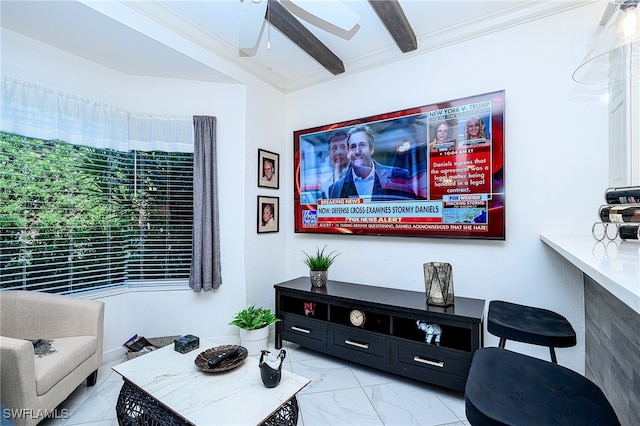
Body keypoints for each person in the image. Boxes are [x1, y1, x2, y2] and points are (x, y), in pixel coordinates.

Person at [328, 124, 415, 201]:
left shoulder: (399, 176)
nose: (357, 151)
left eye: (362, 145)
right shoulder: (335, 189)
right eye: (353, 146)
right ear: (348, 153)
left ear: (372, 149)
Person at [320, 130, 350, 199]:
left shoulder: (359, 179)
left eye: (343, 147)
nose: (338, 152)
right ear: (329, 154)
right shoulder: (326, 185)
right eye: (334, 148)